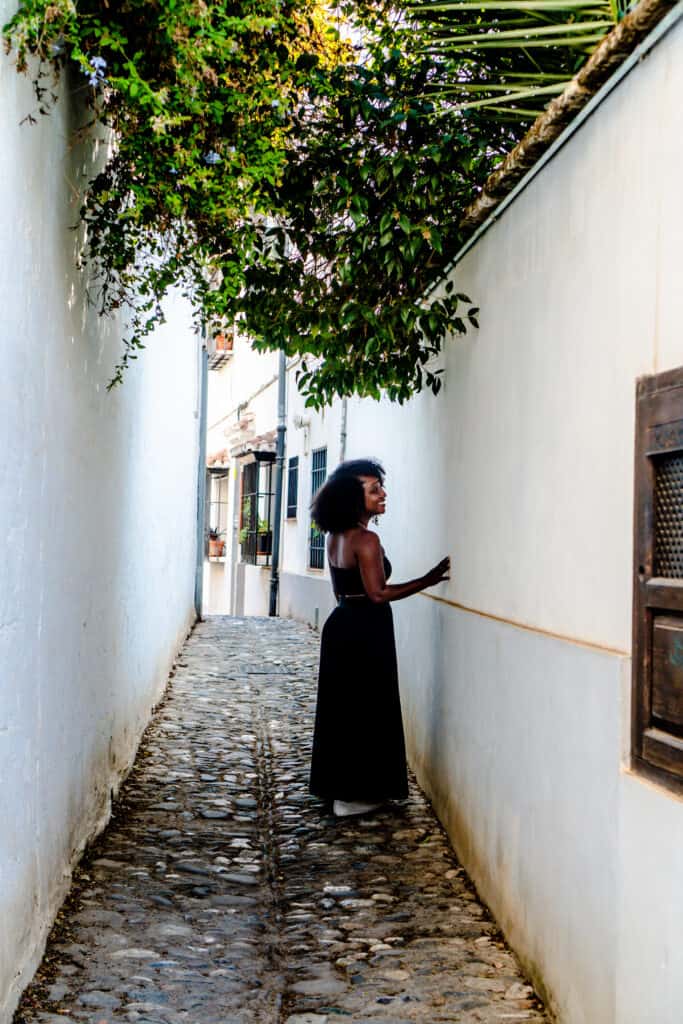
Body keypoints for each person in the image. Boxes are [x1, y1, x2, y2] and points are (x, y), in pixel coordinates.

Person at [309, 458, 450, 817]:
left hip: (341, 622)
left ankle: (339, 790)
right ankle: (355, 797)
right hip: (365, 626)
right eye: (374, 490)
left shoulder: (335, 536)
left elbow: (342, 589)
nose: (382, 493)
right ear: (355, 497)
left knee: (343, 711)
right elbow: (378, 593)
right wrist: (429, 579)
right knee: (369, 708)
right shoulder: (367, 539)